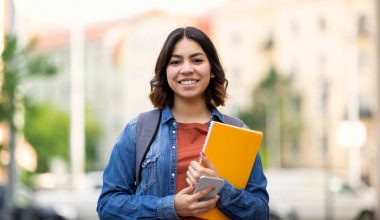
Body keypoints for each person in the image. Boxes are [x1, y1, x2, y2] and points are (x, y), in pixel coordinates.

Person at [97, 26, 269, 219]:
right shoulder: (138, 130)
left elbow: (260, 212)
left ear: (212, 69)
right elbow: (108, 206)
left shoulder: (238, 132)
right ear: (165, 71)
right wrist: (170, 207)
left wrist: (221, 187)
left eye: (197, 60)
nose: (186, 69)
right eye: (176, 62)